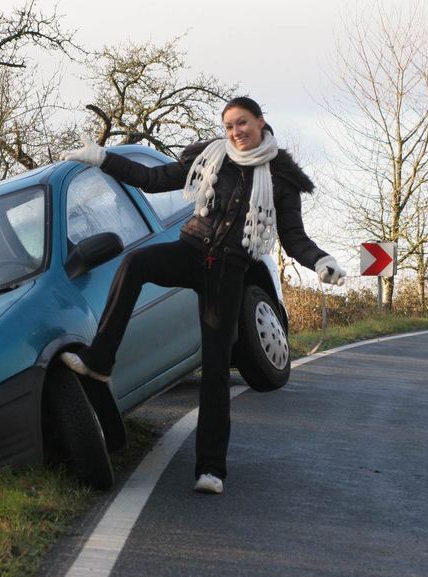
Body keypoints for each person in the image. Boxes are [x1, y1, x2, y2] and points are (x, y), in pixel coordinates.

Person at [58, 96, 346, 494]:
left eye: (242, 123)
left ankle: (211, 469)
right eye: (229, 126)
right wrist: (103, 159)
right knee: (134, 264)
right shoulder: (213, 157)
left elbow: (294, 237)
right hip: (191, 252)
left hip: (228, 273)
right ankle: (99, 360)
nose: (236, 132)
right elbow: (153, 179)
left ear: (261, 122)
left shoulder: (282, 178)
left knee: (214, 368)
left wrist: (320, 261)